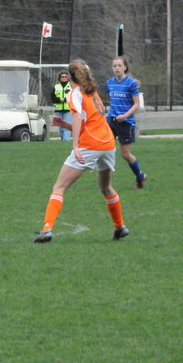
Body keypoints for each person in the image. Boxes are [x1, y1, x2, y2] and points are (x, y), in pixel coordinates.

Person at [35, 60, 129, 243]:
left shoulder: (74, 93)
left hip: (90, 145)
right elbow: (89, 124)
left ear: (70, 77)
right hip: (107, 144)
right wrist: (64, 124)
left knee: (59, 187)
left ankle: (46, 230)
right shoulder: (92, 92)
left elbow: (78, 119)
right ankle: (120, 227)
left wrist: (75, 146)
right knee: (106, 187)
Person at [105, 57, 148, 188]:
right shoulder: (109, 83)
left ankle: (140, 175)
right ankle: (106, 183)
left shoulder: (131, 84)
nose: (117, 68)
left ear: (125, 67)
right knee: (106, 150)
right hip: (111, 121)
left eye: (119, 65)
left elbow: (136, 104)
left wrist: (125, 116)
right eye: (114, 66)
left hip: (126, 123)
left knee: (125, 154)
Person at [51, 71, 73, 141]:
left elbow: (73, 97)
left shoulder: (71, 87)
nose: (64, 78)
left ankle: (65, 141)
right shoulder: (56, 87)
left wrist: (65, 99)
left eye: (65, 76)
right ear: (59, 78)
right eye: (62, 77)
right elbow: (52, 98)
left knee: (66, 127)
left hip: (68, 110)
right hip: (58, 110)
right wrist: (59, 100)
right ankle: (62, 142)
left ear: (68, 78)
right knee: (60, 128)